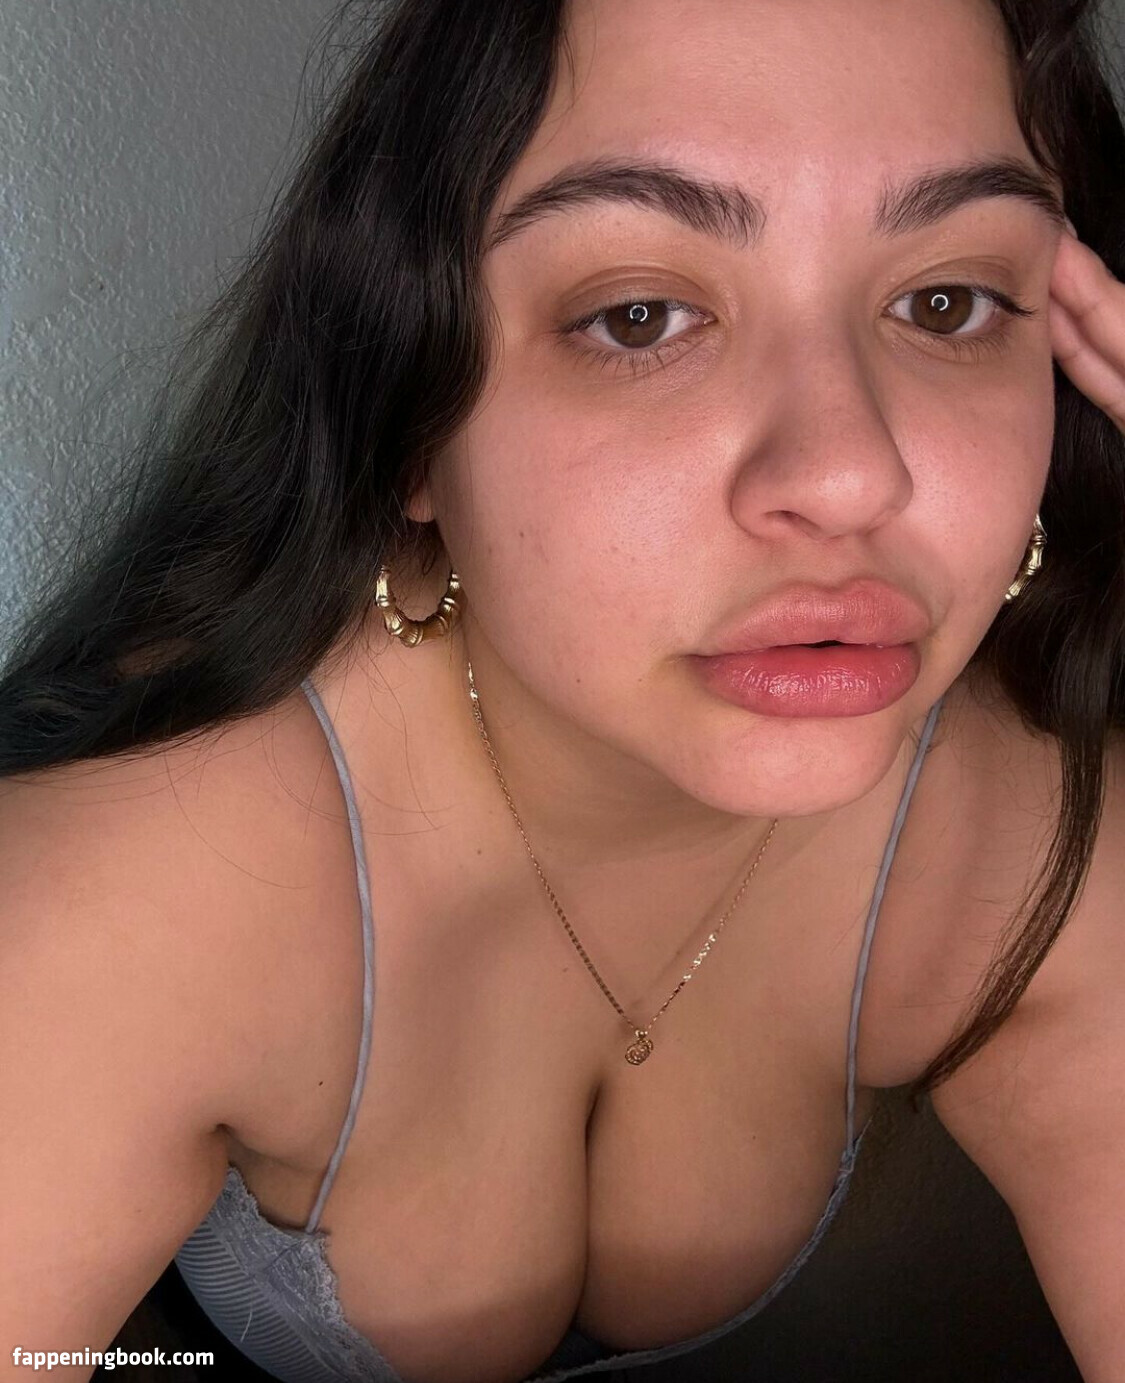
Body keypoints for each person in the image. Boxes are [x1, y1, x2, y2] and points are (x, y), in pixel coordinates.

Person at [1, 0, 1124, 1380]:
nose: (849, 475)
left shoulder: (1023, 831)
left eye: (946, 303)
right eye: (639, 318)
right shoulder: (130, 891)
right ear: (407, 416)